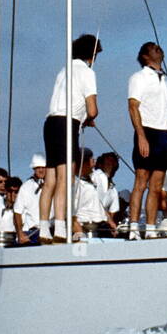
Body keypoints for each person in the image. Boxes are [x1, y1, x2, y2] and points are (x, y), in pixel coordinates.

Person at [40, 34, 102, 244]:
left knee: (50, 179)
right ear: (91, 55)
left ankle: (43, 230)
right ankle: (59, 228)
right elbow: (93, 109)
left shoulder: (63, 70)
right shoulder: (87, 72)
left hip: (50, 123)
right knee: (65, 178)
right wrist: (87, 119)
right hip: (69, 123)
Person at [127, 42, 167, 240]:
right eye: (152, 47)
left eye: (158, 47)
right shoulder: (139, 77)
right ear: (144, 56)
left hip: (163, 134)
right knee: (141, 181)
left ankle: (150, 227)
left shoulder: (164, 80)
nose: (157, 48)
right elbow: (133, 106)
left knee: (156, 186)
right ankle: (134, 226)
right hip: (148, 131)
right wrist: (141, 135)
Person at [72, 148, 116, 238]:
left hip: (97, 227)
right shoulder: (74, 184)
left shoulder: (93, 181)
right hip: (81, 227)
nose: (94, 164)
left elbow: (98, 203)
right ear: (84, 163)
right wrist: (78, 231)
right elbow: (68, 210)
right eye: (92, 160)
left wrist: (109, 220)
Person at [14, 153, 46, 246]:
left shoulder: (54, 185)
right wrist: (20, 233)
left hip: (50, 231)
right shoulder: (26, 187)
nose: (41, 170)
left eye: (43, 167)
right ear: (34, 169)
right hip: (33, 233)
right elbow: (17, 212)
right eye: (38, 167)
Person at [91, 152, 120, 222]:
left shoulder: (113, 190)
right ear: (100, 165)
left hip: (100, 225)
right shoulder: (94, 176)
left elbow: (112, 213)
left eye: (114, 165)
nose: (111, 167)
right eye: (108, 164)